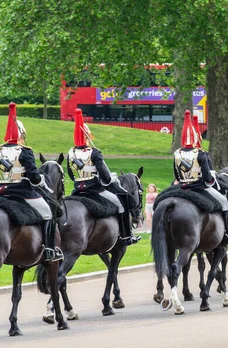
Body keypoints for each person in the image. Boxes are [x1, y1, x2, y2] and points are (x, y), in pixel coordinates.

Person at [67, 109, 141, 245]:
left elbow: (71, 175)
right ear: (88, 136)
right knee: (121, 203)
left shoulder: (71, 153)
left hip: (77, 190)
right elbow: (106, 179)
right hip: (96, 190)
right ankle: (126, 236)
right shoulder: (94, 153)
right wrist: (111, 178)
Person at [0, 103, 63, 261]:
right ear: (21, 134)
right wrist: (40, 180)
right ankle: (49, 250)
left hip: (2, 191)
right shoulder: (25, 151)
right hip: (22, 192)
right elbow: (34, 178)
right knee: (48, 212)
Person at [173, 110, 228, 246]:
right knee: (224, 202)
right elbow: (207, 176)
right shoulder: (200, 153)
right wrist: (211, 181)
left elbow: (176, 174)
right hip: (199, 186)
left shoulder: (177, 153)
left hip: (181, 186)